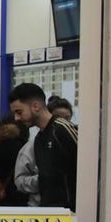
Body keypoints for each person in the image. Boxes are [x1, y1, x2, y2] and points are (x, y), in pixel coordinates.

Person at [9, 83, 78, 211]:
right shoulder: (39, 138)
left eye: (19, 112)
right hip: (50, 212)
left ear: (36, 106)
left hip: (69, 213)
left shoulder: (62, 130)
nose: (16, 118)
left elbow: (85, 169)